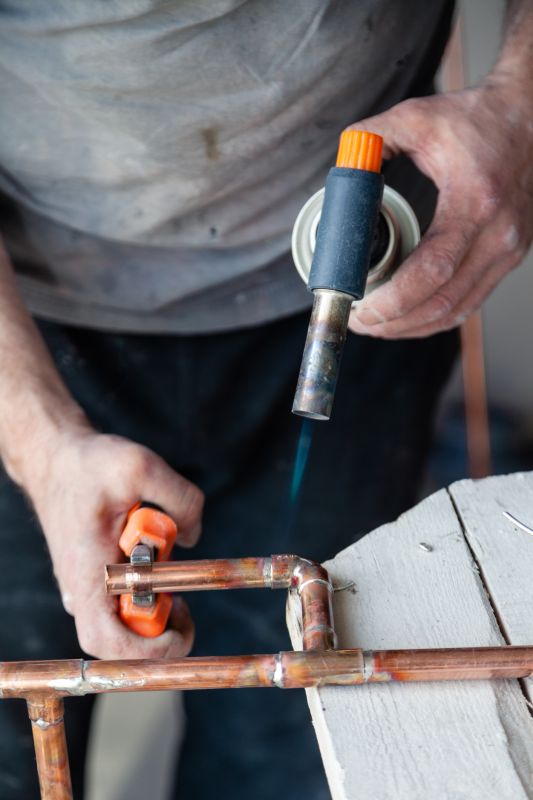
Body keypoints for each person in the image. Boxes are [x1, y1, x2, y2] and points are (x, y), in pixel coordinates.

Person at [0, 2, 531, 798]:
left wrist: (518, 104)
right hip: (29, 339)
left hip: (364, 290)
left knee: (298, 740)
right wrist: (38, 442)